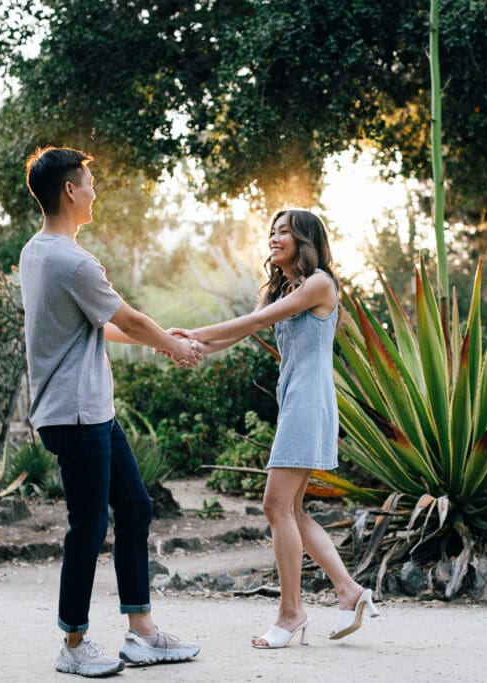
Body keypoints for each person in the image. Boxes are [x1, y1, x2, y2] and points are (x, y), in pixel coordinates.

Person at [19, 146, 203, 677]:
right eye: (89, 183)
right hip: (75, 412)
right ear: (70, 191)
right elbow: (128, 315)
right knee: (89, 524)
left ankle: (142, 633)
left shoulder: (38, 252)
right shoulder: (72, 260)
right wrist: (173, 344)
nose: (95, 192)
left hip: (88, 410)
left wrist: (157, 341)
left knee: (136, 507)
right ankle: (74, 643)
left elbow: (99, 324)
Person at [172, 209, 378, 649]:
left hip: (308, 403)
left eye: (284, 231)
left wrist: (192, 333)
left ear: (306, 240)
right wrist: (191, 347)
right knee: (292, 511)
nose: (274, 237)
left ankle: (291, 612)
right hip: (296, 404)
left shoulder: (320, 283)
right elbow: (242, 332)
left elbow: (254, 323)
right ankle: (349, 591)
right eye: (272, 230)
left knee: (275, 506)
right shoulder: (287, 289)